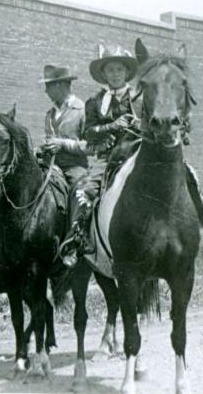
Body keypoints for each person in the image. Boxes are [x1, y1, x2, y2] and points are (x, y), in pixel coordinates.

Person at [58, 45, 142, 263]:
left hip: (137, 156)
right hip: (108, 160)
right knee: (83, 190)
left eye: (119, 70)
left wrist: (139, 124)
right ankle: (78, 238)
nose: (115, 75)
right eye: (111, 70)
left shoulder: (140, 98)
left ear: (126, 73)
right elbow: (88, 133)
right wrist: (112, 126)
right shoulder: (95, 102)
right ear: (104, 74)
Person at [36, 65, 90, 266]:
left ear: (60, 86)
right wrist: (44, 149)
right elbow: (49, 142)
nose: (46, 92)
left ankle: (75, 242)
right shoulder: (49, 114)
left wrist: (63, 144)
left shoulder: (82, 110)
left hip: (75, 168)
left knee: (81, 192)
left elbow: (91, 146)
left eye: (48, 87)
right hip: (52, 167)